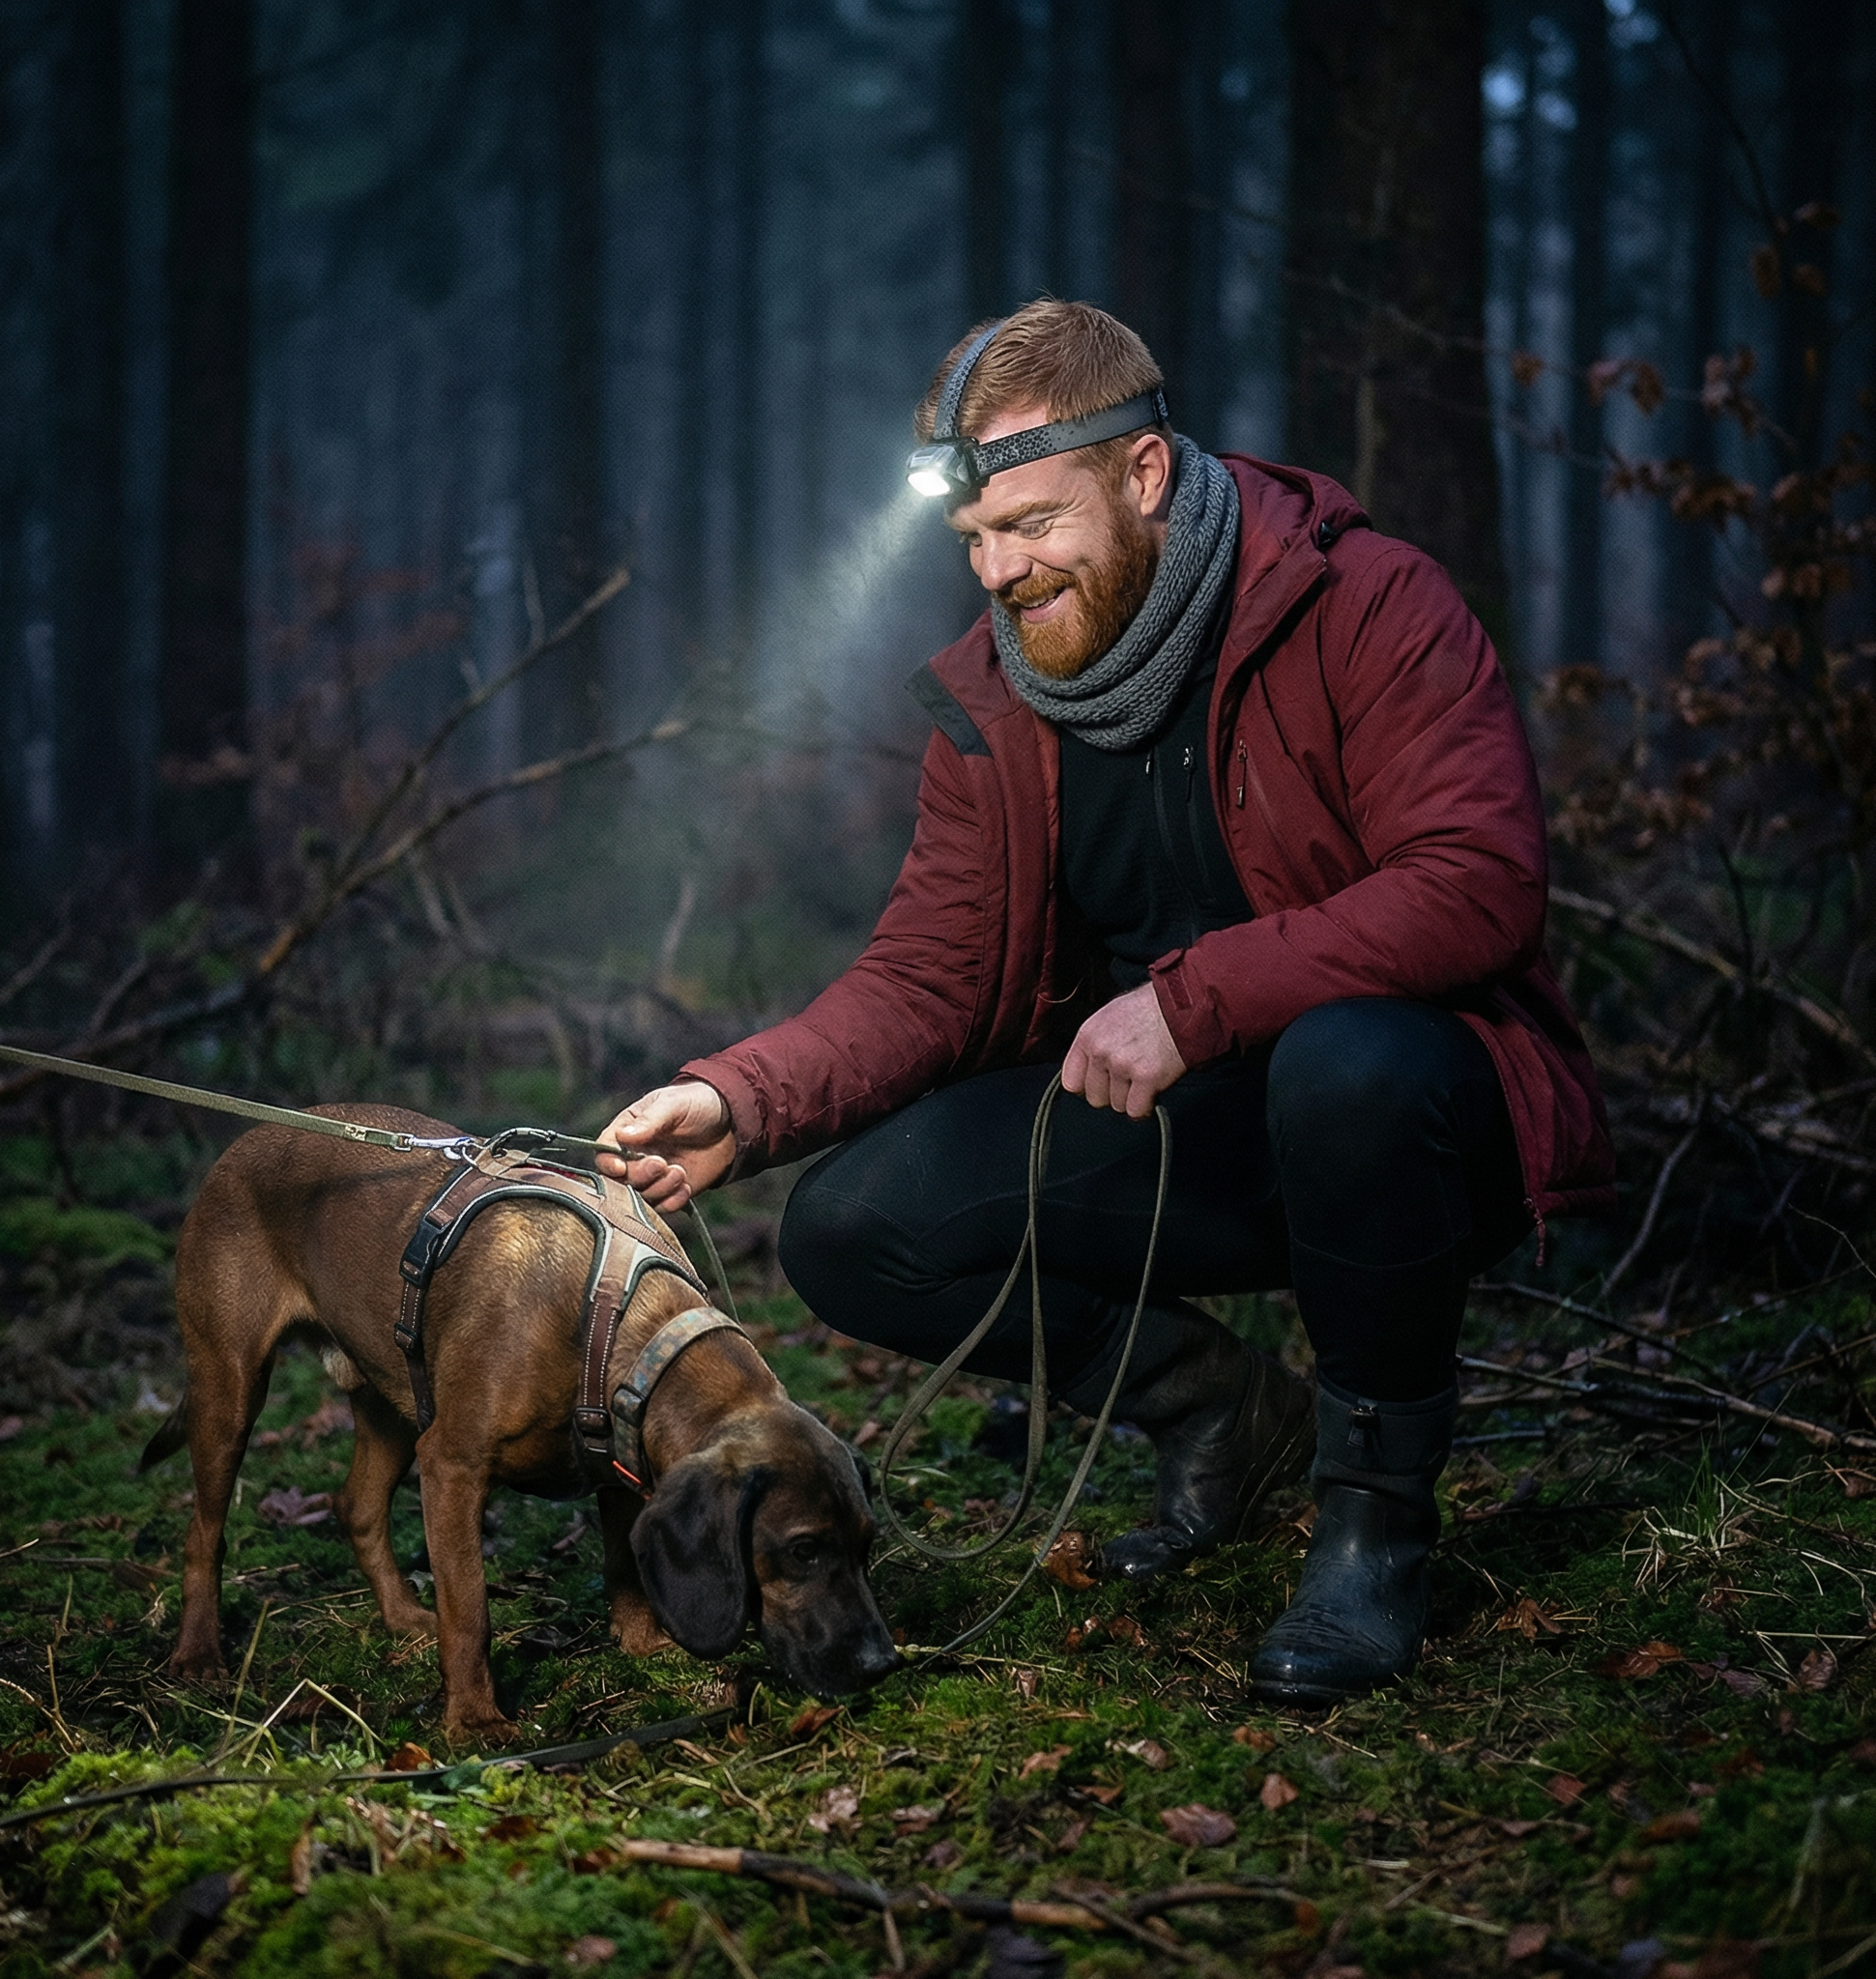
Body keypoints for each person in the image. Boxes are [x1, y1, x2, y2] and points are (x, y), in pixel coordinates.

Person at [601, 301, 1613, 1705]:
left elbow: (1477, 881)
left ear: (1141, 473)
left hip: (1411, 1121)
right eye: (972, 541)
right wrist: (739, 1097)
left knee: (1350, 1063)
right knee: (849, 1229)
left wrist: (1196, 1004)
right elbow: (931, 976)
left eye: (1029, 524)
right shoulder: (997, 701)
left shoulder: (1365, 601)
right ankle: (1221, 1415)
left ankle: (1375, 1529)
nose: (1000, 572)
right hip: (1189, 1139)